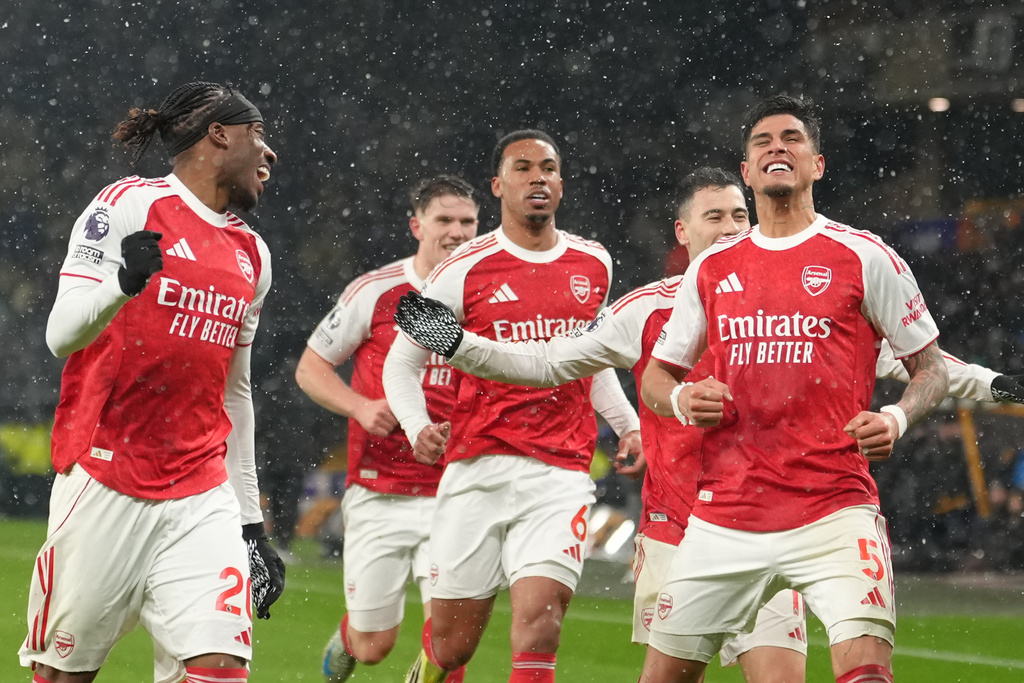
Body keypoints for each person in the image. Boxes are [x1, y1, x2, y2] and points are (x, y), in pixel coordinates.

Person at [392, 166, 1019, 683]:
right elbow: (548, 361)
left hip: (777, 516)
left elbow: (919, 361)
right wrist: (459, 344)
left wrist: (1000, 385)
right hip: (677, 534)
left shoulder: (789, 298)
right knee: (483, 650)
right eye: (713, 216)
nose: (728, 227)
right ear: (682, 230)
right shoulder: (641, 311)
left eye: (738, 215)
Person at [639, 94, 950, 683]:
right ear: (747, 171)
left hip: (834, 505)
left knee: (867, 676)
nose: (776, 148)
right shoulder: (709, 269)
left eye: (792, 139)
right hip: (727, 512)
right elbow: (658, 376)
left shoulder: (864, 256)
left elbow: (931, 368)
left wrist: (897, 419)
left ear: (817, 164)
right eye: (762, 142)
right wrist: (681, 399)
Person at [19, 81, 285, 683]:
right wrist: (121, 282)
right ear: (220, 134)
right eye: (259, 134)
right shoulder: (131, 205)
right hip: (107, 473)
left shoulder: (253, 255)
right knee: (63, 675)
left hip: (200, 490)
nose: (270, 154)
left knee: (221, 670)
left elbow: (233, 393)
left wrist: (251, 526)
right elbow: (61, 336)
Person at [382, 129, 642, 683]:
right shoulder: (462, 269)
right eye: (523, 169)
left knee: (540, 624)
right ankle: (427, 667)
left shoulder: (594, 263)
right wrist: (416, 426)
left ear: (561, 183)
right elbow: (400, 364)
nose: (537, 178)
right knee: (453, 648)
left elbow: (589, 363)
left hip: (561, 471)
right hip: (477, 467)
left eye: (548, 168)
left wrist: (627, 425)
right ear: (499, 185)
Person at [294, 175, 481, 683]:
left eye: (468, 221)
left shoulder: (490, 294)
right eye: (445, 220)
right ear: (416, 225)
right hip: (381, 492)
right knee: (373, 646)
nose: (457, 232)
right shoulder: (377, 291)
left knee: (449, 642)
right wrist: (358, 406)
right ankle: (352, 636)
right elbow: (310, 367)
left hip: (460, 491)